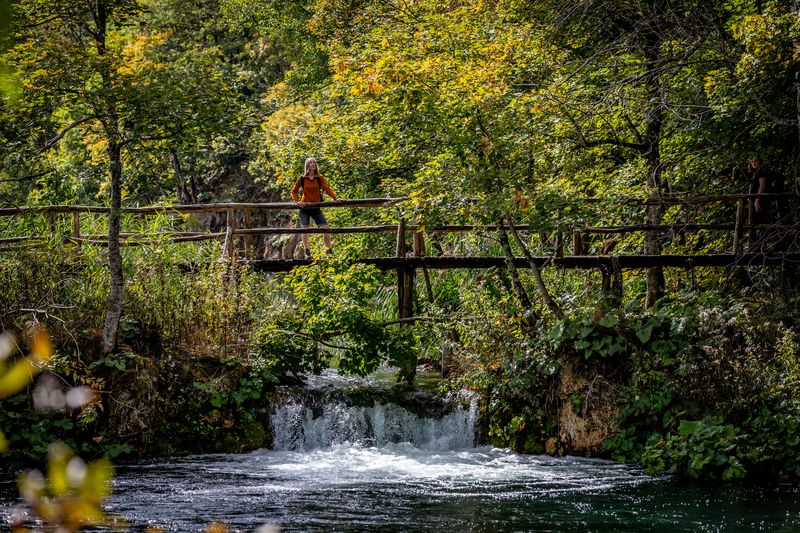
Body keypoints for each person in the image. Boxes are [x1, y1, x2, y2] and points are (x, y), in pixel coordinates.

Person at [291, 157, 340, 258]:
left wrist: (335, 198)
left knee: (325, 227)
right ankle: (307, 252)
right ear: (307, 165)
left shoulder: (319, 177)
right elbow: (294, 191)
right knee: (305, 229)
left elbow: (327, 188)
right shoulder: (302, 178)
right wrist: (298, 202)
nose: (312, 164)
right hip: (304, 208)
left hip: (316, 207)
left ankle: (328, 251)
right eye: (310, 162)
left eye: (314, 162)